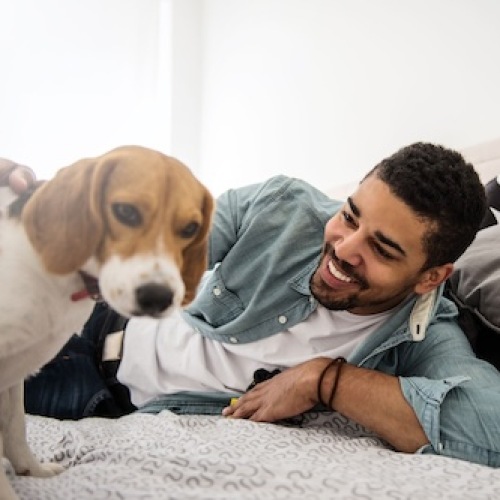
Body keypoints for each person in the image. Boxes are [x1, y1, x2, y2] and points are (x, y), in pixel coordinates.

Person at [3, 144, 500, 467]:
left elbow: (491, 428)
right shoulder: (282, 207)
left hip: (102, 399)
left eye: (383, 249)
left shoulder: (426, 335)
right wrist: (35, 196)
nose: (345, 249)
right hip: (95, 319)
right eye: (350, 216)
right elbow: (163, 232)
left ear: (430, 277)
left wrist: (325, 380)